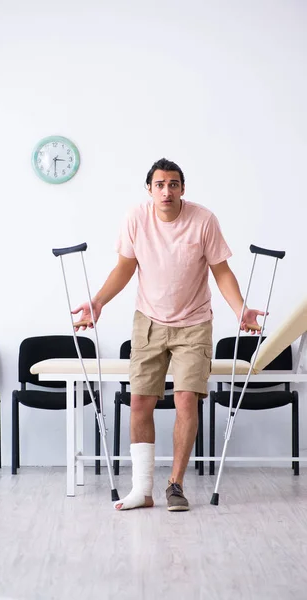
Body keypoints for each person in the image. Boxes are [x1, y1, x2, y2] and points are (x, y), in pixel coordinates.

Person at [72, 158, 264, 512]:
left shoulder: (203, 220)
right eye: (159, 184)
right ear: (149, 189)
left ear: (182, 189)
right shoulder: (136, 219)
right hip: (148, 321)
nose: (166, 190)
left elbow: (221, 271)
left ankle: (175, 484)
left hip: (194, 323)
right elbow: (124, 267)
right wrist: (98, 301)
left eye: (173, 184)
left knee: (186, 399)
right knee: (141, 401)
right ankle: (142, 490)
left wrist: (240, 309)